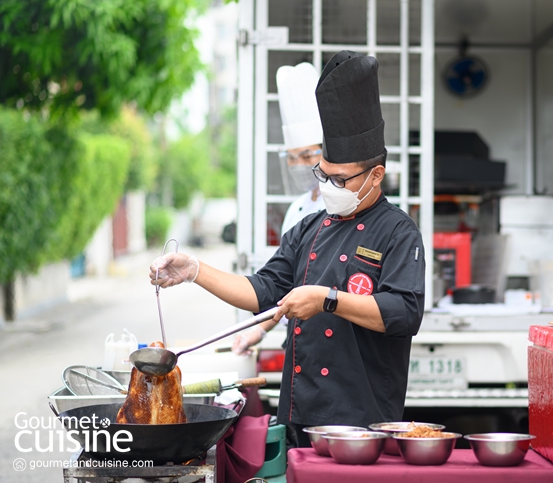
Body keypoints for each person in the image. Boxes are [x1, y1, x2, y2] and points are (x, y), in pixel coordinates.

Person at [150, 51, 425, 447]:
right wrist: (194, 270)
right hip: (300, 414)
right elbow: (261, 291)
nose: (327, 186)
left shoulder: (398, 232)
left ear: (376, 175)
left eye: (340, 179)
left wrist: (328, 300)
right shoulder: (307, 229)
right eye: (323, 175)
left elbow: (403, 313)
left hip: (362, 425)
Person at [231, 62, 326, 355]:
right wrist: (257, 331)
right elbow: (282, 286)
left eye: (307, 155)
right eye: (292, 157)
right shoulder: (296, 209)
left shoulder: (342, 206)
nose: (299, 165)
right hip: (296, 340)